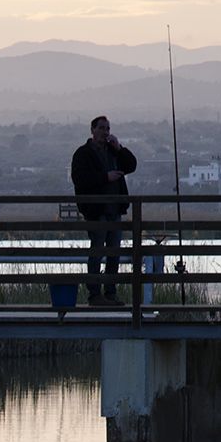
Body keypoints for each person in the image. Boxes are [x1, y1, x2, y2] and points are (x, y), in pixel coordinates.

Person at [70, 116, 137, 305]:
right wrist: (105, 177)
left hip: (115, 210)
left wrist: (120, 148)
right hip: (96, 211)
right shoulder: (83, 153)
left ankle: (110, 292)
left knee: (114, 253)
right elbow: (80, 180)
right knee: (97, 252)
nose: (105, 132)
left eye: (107, 128)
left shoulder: (113, 152)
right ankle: (94, 294)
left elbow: (131, 165)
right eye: (101, 128)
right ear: (92, 130)